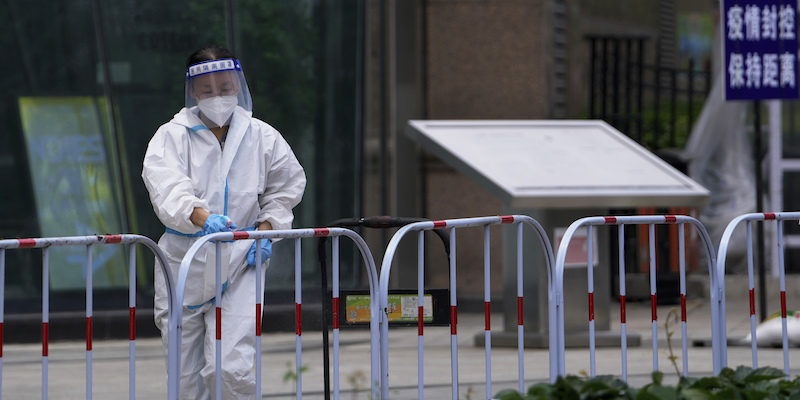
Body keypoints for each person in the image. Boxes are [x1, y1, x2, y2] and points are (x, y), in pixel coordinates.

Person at [141, 45, 306, 399]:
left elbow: (285, 188)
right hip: (184, 263)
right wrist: (203, 220)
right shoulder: (171, 136)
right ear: (192, 92)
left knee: (230, 368)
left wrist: (266, 232)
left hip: (241, 263)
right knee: (184, 379)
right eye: (207, 90)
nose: (218, 97)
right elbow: (167, 188)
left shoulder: (262, 136)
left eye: (226, 87)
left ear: (239, 85)